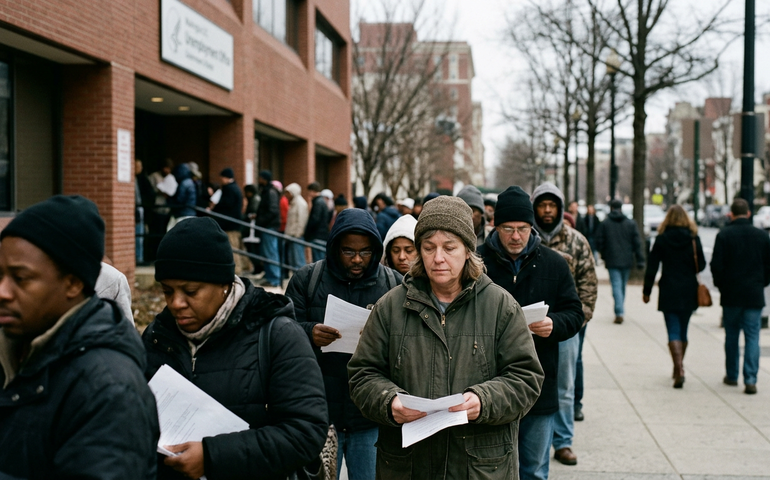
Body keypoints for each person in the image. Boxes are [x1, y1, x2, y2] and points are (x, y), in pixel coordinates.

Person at [348, 196, 544, 479]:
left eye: (449, 248)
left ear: (467, 251)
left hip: (479, 468)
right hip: (409, 466)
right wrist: (389, 402)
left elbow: (526, 378)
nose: (438, 258)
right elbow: (362, 375)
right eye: (429, 248)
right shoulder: (390, 306)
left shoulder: (501, 306)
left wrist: (483, 400)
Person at [143, 217, 328, 479]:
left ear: (224, 284)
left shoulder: (278, 336)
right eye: (167, 291)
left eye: (190, 291)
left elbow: (306, 432)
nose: (176, 303)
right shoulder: (156, 337)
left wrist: (212, 457)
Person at [0, 195, 159, 479]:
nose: (3, 291)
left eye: (21, 278)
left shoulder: (108, 389)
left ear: (73, 283)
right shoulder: (20, 347)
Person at [285, 208, 402, 480]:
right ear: (335, 247)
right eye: (349, 251)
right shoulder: (307, 279)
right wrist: (309, 332)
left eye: (365, 252)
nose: (357, 259)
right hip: (320, 415)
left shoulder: (393, 284)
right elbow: (281, 332)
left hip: (370, 417)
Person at [478, 185, 584, 480]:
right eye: (508, 229)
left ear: (531, 227)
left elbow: (575, 312)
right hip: (489, 381)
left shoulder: (554, 263)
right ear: (495, 226)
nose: (516, 236)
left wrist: (554, 324)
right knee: (490, 470)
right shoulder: (476, 263)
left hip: (539, 381)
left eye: (522, 229)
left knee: (534, 469)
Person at [531, 183, 597, 466]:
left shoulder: (576, 241)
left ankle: (563, 441)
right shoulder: (526, 239)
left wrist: (578, 321)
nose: (547, 210)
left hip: (566, 328)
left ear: (559, 208)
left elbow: (588, 284)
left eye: (552, 205)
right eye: (542, 205)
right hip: (529, 327)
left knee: (565, 387)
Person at [710, 198, 770, 395]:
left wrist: (721, 285)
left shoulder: (724, 235)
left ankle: (732, 374)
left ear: (731, 214)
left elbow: (716, 265)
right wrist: (762, 283)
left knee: (732, 335)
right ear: (749, 213)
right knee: (752, 336)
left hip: (731, 294)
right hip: (754, 293)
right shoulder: (762, 236)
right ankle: (750, 378)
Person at [642, 205, 706, 389]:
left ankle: (678, 368)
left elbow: (652, 266)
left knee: (672, 329)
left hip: (669, 287)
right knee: (683, 329)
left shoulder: (662, 238)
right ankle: (679, 366)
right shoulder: (693, 238)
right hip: (689, 288)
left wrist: (647, 291)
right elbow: (701, 264)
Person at [595, 199, 645, 324]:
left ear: (611, 208)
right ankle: (620, 309)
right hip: (627, 259)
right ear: (621, 208)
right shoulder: (630, 223)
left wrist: (604, 254)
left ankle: (619, 311)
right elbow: (637, 242)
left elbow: (599, 241)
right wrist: (640, 259)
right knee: (622, 286)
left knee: (616, 285)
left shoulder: (605, 223)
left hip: (612, 259)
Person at [213, 167, 252, 275]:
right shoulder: (236, 188)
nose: (221, 180)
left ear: (225, 177)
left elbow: (225, 205)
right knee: (238, 247)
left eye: (222, 178)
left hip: (229, 224)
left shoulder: (229, 189)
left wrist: (215, 209)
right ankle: (245, 266)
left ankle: (237, 269)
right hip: (235, 222)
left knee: (232, 247)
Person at [256, 170, 281, 287]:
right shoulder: (266, 191)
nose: (259, 180)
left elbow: (273, 210)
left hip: (269, 226)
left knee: (271, 252)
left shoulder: (270, 192)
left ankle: (274, 279)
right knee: (266, 252)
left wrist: (261, 220)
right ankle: (269, 276)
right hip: (266, 225)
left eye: (260, 178)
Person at [285, 182, 309, 272]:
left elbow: (302, 220)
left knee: (298, 260)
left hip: (296, 236)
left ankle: (302, 278)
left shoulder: (300, 204)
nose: (286, 195)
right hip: (291, 235)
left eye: (288, 193)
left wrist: (298, 233)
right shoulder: (293, 203)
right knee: (292, 259)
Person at [135, 159, 155, 264]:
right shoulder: (134, 179)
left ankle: (140, 257)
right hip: (137, 208)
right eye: (138, 166)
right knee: (138, 235)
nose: (140, 168)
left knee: (141, 234)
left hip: (141, 208)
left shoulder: (142, 179)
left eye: (140, 166)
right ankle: (138, 258)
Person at [305, 182, 330, 262]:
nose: (309, 194)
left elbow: (315, 219)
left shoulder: (318, 202)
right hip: (321, 234)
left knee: (318, 259)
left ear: (312, 191)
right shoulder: (322, 201)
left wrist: (308, 232)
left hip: (317, 235)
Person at [167, 162, 197, 228]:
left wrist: (169, 200)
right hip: (189, 213)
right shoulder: (189, 182)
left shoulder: (184, 184)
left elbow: (179, 199)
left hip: (182, 214)